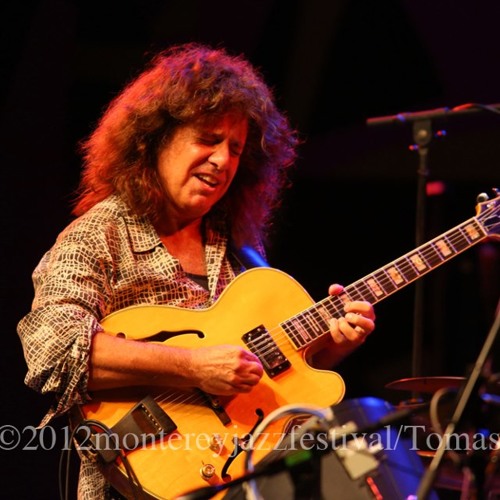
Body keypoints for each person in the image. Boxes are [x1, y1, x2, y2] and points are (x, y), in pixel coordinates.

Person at [17, 42, 376, 499]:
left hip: (241, 474)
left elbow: (266, 383)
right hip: (135, 482)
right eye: (208, 139)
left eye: (235, 149)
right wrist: (192, 366)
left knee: (366, 458)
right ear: (154, 139)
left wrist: (327, 349)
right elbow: (52, 350)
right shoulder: (98, 236)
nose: (223, 160)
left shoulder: (240, 248)